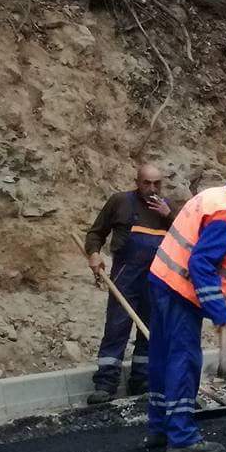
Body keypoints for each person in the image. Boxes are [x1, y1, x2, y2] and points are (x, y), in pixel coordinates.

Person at [145, 162, 226, 452]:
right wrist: (217, 309)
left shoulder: (213, 196)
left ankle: (160, 428)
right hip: (180, 292)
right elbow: (200, 263)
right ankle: (182, 438)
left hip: (161, 280)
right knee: (184, 361)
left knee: (161, 358)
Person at [82, 164, 174, 403]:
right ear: (137, 182)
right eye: (147, 183)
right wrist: (94, 254)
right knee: (116, 327)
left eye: (157, 183)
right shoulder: (120, 202)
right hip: (126, 276)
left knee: (150, 329)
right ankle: (105, 384)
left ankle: (142, 380)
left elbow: (186, 238)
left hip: (156, 278)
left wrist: (169, 216)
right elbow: (96, 233)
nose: (152, 188)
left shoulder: (169, 209)